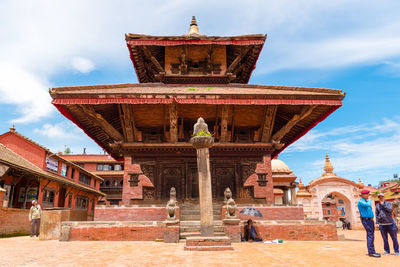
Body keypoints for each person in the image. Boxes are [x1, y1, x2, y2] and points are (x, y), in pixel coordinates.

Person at [357, 189, 380, 257]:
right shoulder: (360, 201)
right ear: (363, 195)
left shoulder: (365, 201)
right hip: (366, 220)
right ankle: (371, 252)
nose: (368, 196)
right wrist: (370, 200)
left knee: (371, 236)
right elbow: (368, 204)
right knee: (370, 235)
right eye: (367, 194)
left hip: (370, 220)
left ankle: (372, 251)